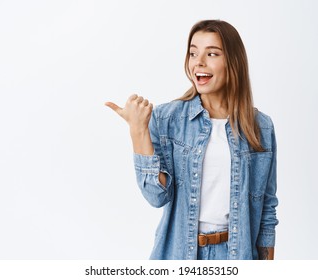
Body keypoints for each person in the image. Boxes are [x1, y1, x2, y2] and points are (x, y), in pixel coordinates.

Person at [105, 20, 278, 260]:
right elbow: (157, 197)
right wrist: (138, 130)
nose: (199, 62)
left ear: (233, 62)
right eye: (193, 53)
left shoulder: (260, 127)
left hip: (238, 254)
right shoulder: (167, 119)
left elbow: (267, 206)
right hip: (181, 253)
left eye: (212, 53)